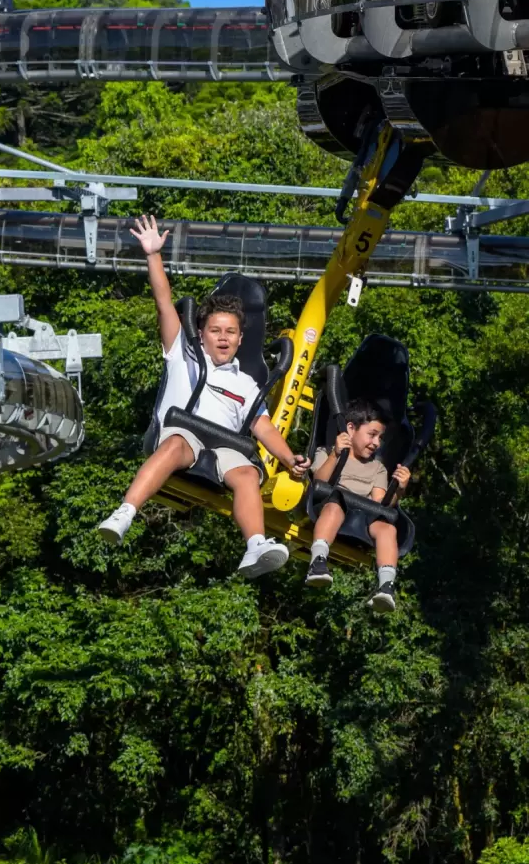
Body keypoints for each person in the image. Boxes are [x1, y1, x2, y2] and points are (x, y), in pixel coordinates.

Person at [98, 215, 311, 578]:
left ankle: (255, 544)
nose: (224, 338)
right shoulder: (184, 353)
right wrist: (153, 255)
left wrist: (290, 459)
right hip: (188, 434)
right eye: (216, 330)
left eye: (231, 332)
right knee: (176, 445)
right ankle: (125, 513)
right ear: (202, 332)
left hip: (226, 446)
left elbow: (261, 426)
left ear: (241, 339)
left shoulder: (246, 382)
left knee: (247, 472)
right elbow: (164, 302)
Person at [305, 400, 410, 612]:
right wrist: (335, 454)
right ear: (350, 429)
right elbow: (320, 481)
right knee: (336, 506)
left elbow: (380, 503)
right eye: (372, 434)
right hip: (331, 507)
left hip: (362, 516)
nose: (376, 443)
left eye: (380, 438)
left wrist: (399, 489)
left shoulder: (377, 469)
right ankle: (317, 562)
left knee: (388, 528)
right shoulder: (327, 452)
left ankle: (386, 585)